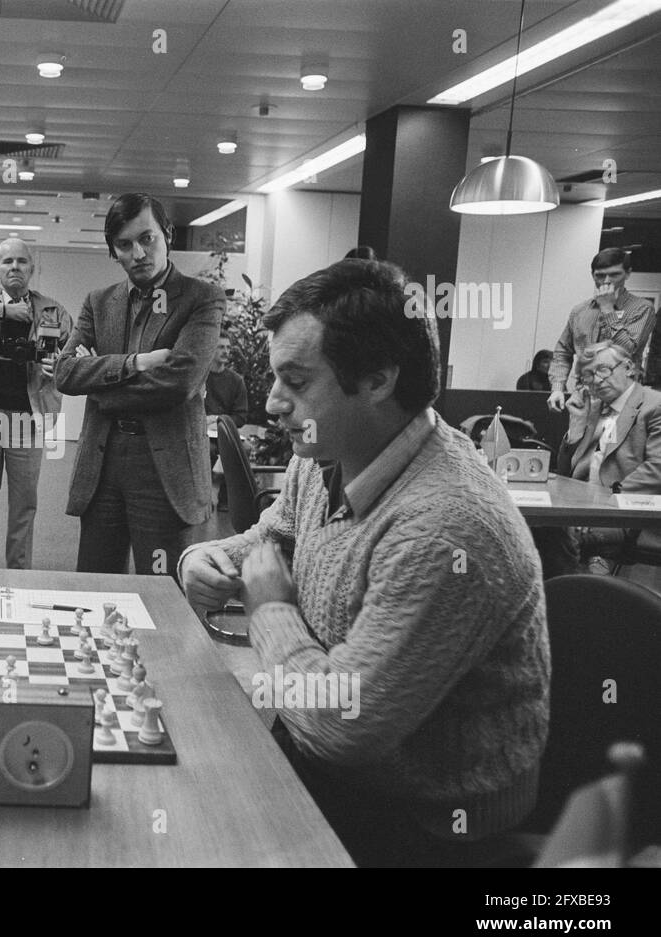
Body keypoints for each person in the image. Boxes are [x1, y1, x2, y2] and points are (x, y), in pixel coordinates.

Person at [179, 258, 549, 867]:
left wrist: (269, 607)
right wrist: (209, 556)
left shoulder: (445, 530)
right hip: (330, 762)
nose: (272, 403)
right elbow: (271, 541)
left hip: (423, 823)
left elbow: (341, 722)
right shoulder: (326, 451)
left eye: (296, 383)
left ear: (377, 380)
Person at [55, 193, 226, 575]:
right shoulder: (99, 303)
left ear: (168, 236)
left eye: (147, 239)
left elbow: (179, 383)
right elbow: (65, 372)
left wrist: (101, 387)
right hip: (103, 465)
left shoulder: (201, 299)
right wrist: (136, 363)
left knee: (162, 591)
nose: (138, 253)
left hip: (164, 468)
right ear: (113, 251)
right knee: (96, 588)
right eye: (124, 244)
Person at [0, 238, 72, 569]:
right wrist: (4, 310)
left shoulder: (51, 309)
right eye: (7, 262)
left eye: (22, 261)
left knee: (24, 504)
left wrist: (58, 364)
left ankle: (19, 572)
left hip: (29, 420)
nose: (15, 267)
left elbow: (72, 352)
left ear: (32, 269)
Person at [533, 341, 661, 578]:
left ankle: (572, 603)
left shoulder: (654, 406)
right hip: (579, 508)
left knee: (553, 534)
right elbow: (565, 471)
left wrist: (600, 507)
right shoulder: (593, 407)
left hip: (625, 514)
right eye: (588, 375)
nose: (597, 380)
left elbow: (657, 469)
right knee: (528, 526)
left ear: (629, 368)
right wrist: (576, 426)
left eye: (603, 369)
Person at [547, 248, 656, 411]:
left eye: (614, 275)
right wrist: (557, 388)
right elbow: (563, 352)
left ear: (627, 274)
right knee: (577, 437)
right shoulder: (580, 311)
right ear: (593, 275)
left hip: (622, 400)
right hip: (582, 398)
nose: (606, 281)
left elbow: (627, 350)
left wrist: (607, 308)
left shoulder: (642, 308)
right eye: (600, 275)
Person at [204, 324, 250, 428]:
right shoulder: (199, 377)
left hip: (223, 433)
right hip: (199, 431)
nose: (226, 351)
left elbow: (240, 417)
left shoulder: (236, 381)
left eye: (228, 348)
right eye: (221, 347)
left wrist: (217, 420)